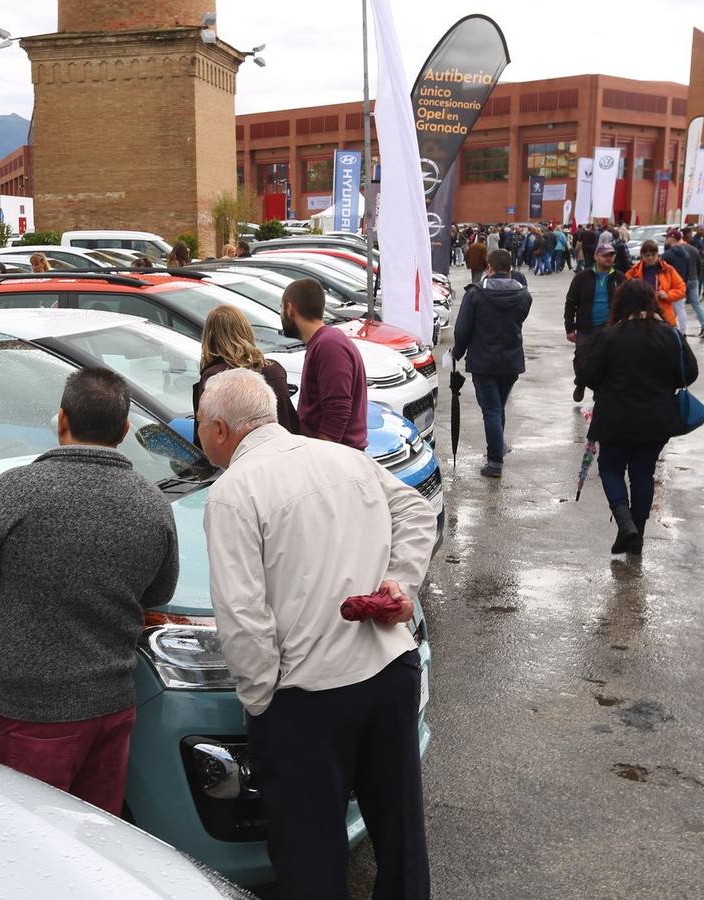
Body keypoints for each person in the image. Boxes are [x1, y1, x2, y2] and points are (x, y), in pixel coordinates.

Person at [197, 367, 438, 900]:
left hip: (308, 697)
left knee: (310, 853)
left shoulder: (234, 492)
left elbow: (243, 613)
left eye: (199, 423)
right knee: (399, 831)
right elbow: (418, 514)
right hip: (388, 671)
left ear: (219, 429)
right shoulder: (344, 457)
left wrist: (263, 698)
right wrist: (400, 583)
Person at [0, 367, 180, 814]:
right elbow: (158, 591)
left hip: (32, 711)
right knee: (92, 837)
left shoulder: (13, 492)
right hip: (113, 706)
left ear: (61, 420)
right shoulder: (152, 503)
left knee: (26, 838)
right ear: (126, 430)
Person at [578, 280, 699, 554]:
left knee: (610, 468)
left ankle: (625, 523)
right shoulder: (671, 335)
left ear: (620, 304)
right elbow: (689, 373)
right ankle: (638, 535)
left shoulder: (611, 336)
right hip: (656, 420)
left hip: (615, 417)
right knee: (643, 472)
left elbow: (588, 375)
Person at [452, 248, 533, 478]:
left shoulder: (475, 294)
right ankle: (498, 449)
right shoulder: (523, 295)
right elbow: (520, 318)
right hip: (511, 360)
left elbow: (462, 329)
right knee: (498, 407)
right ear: (509, 268)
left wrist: (457, 352)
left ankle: (495, 461)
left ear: (489, 267)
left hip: (483, 361)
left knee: (491, 410)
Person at [193, 305, 300, 443]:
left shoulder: (214, 379)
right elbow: (289, 420)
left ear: (209, 337)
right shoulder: (274, 369)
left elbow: (208, 437)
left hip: (241, 458)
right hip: (284, 449)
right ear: (246, 331)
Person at [282, 277, 367, 449]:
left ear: (290, 309)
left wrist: (321, 457)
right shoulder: (323, 342)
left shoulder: (329, 344)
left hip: (336, 460)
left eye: (281, 309)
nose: (281, 315)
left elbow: (337, 409)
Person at [564, 242, 624, 402]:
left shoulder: (619, 277)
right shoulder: (582, 277)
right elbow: (571, 303)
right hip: (586, 327)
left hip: (610, 328)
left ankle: (600, 393)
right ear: (596, 256)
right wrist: (569, 328)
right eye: (605, 255)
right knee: (582, 360)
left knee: (608, 362)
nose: (608, 258)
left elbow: (626, 302)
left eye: (611, 255)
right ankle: (581, 383)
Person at [625, 239, 685, 326]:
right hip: (641, 316)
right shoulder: (633, 272)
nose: (650, 258)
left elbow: (681, 289)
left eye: (653, 255)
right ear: (642, 255)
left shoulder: (668, 269)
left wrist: (667, 295)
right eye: (647, 255)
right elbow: (626, 292)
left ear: (658, 254)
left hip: (664, 315)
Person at [664, 230, 704, 338]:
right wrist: (698, 278)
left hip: (680, 281)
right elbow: (700, 264)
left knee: (677, 306)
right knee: (696, 304)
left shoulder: (672, 252)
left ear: (672, 238)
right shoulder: (693, 249)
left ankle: (675, 328)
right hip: (693, 278)